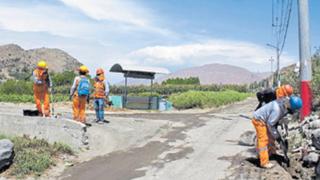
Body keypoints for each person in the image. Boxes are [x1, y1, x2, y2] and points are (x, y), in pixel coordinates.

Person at [252, 96, 302, 169]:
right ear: (290, 106)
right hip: (259, 119)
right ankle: (264, 162)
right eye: (293, 110)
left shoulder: (286, 101)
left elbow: (278, 119)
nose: (293, 111)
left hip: (267, 119)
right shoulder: (277, 109)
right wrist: (279, 138)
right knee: (264, 139)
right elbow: (270, 124)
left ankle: (271, 153)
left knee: (271, 137)